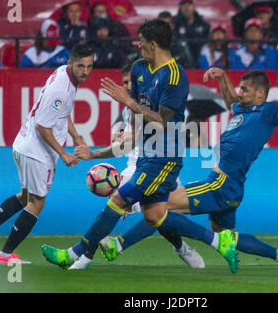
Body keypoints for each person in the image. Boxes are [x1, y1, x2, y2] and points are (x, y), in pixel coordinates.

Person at [99, 67, 278, 271]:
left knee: (159, 208)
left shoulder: (270, 111)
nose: (239, 93)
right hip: (232, 189)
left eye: (245, 89)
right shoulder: (243, 108)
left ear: (260, 95)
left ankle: (118, 245)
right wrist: (222, 77)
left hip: (220, 184)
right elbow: (231, 99)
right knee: (227, 237)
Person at [41, 19, 240, 274]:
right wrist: (97, 153)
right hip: (145, 154)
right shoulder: (138, 69)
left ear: (153, 44)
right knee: (154, 215)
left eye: (142, 42)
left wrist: (127, 101)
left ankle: (74, 254)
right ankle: (217, 241)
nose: (138, 45)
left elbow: (162, 121)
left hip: (165, 157)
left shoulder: (176, 77)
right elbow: (136, 128)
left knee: (118, 200)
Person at [69, 63, 205, 270]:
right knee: (141, 212)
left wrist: (115, 144)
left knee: (153, 214)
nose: (127, 86)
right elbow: (128, 144)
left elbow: (150, 135)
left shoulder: (155, 107)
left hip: (159, 166)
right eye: (124, 83)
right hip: (135, 167)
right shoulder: (128, 111)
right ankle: (85, 258)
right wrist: (122, 140)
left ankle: (88, 255)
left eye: (130, 82)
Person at [0, 44, 94, 264]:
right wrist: (64, 153)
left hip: (24, 144)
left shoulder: (65, 75)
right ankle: (5, 255)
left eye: (89, 66)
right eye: (81, 66)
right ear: (71, 62)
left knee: (26, 196)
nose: (85, 71)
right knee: (37, 203)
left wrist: (74, 136)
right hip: (37, 152)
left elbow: (62, 113)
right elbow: (43, 126)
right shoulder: (61, 89)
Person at [173, 0, 211, 68]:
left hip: (200, 63)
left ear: (194, 6)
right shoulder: (174, 23)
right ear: (180, 7)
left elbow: (207, 46)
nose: (186, 7)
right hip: (179, 64)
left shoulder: (204, 24)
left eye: (189, 4)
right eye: (184, 4)